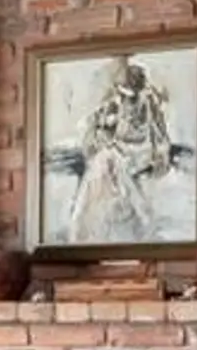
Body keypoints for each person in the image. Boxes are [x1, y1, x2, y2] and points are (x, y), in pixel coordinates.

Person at [68, 58, 180, 242]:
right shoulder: (114, 105)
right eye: (123, 94)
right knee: (103, 161)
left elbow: (160, 135)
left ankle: (141, 218)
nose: (126, 99)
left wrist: (161, 154)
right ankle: (83, 226)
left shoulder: (148, 105)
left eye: (130, 95)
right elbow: (94, 130)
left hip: (141, 151)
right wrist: (102, 132)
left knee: (111, 160)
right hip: (120, 149)